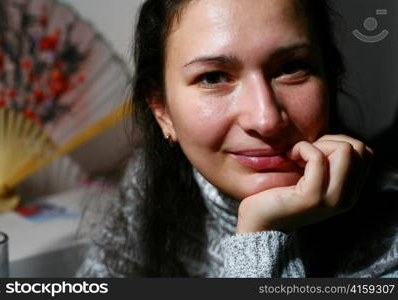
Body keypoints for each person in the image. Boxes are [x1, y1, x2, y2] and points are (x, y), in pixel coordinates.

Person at [76, 0, 398, 277]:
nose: (266, 119)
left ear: (329, 79)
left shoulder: (388, 236)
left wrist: (262, 237)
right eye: (213, 77)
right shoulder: (147, 183)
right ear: (162, 110)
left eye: (291, 68)